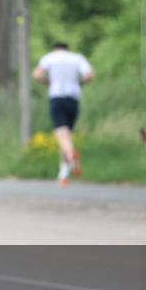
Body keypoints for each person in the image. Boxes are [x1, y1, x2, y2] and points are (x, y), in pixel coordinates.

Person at [33, 41, 94, 187]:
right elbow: (89, 75)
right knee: (67, 138)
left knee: (62, 137)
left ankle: (71, 155)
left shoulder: (50, 57)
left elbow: (36, 75)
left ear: (55, 49)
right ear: (67, 49)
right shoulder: (77, 58)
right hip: (73, 99)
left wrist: (49, 82)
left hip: (57, 98)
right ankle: (63, 175)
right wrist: (78, 83)